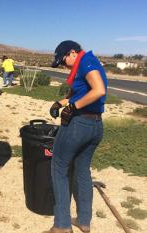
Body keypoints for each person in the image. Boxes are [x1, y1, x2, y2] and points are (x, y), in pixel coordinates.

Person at [45, 40, 107, 233]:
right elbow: (81, 92)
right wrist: (60, 102)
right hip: (95, 125)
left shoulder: (86, 61)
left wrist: (73, 108)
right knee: (82, 170)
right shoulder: (86, 63)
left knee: (59, 167)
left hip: (80, 124)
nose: (63, 66)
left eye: (63, 61)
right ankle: (83, 220)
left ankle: (62, 225)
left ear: (72, 52)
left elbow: (99, 90)